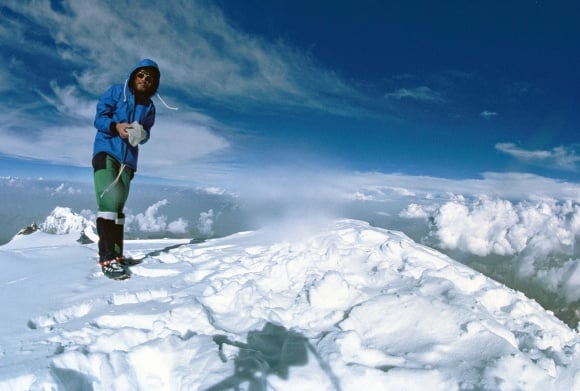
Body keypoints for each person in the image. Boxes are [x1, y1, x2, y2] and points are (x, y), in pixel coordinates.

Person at [92, 58, 160, 279]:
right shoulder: (115, 92)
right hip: (106, 152)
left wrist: (142, 135)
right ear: (133, 75)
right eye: (141, 74)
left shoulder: (149, 107)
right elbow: (99, 118)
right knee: (108, 203)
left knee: (118, 209)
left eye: (150, 78)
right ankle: (107, 258)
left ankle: (118, 256)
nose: (144, 80)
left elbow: (147, 134)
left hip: (128, 161)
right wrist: (115, 126)